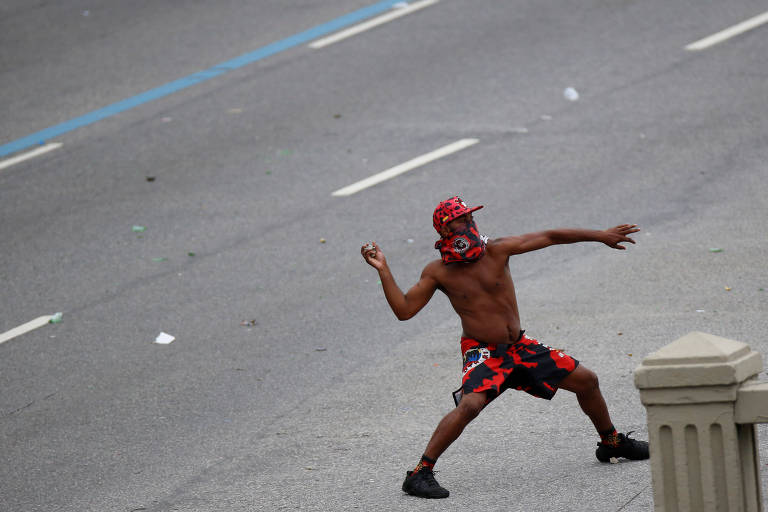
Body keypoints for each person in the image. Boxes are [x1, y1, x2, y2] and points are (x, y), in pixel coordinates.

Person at [361, 196, 649, 499]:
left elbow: (550, 237)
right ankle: (420, 473)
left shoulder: (497, 250)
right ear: (445, 230)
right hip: (484, 351)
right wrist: (384, 270)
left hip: (518, 345)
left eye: (470, 217)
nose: (470, 223)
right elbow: (404, 310)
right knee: (470, 405)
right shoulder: (438, 272)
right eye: (461, 219)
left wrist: (600, 235)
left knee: (587, 381)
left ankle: (611, 442)